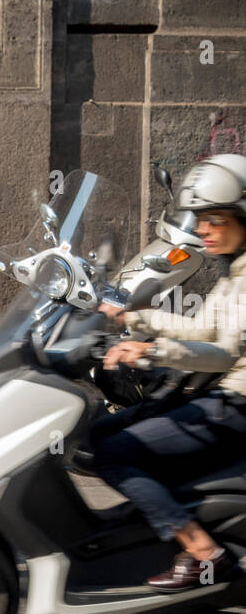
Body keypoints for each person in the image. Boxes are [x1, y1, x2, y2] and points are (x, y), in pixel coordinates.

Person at [92, 153, 246, 591]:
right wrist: (133, 319)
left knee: (114, 452)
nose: (202, 230)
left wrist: (152, 350)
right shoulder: (236, 269)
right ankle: (157, 522)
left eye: (214, 220)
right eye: (200, 219)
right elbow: (204, 327)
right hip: (226, 397)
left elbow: (221, 354)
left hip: (238, 404)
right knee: (98, 434)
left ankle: (204, 552)